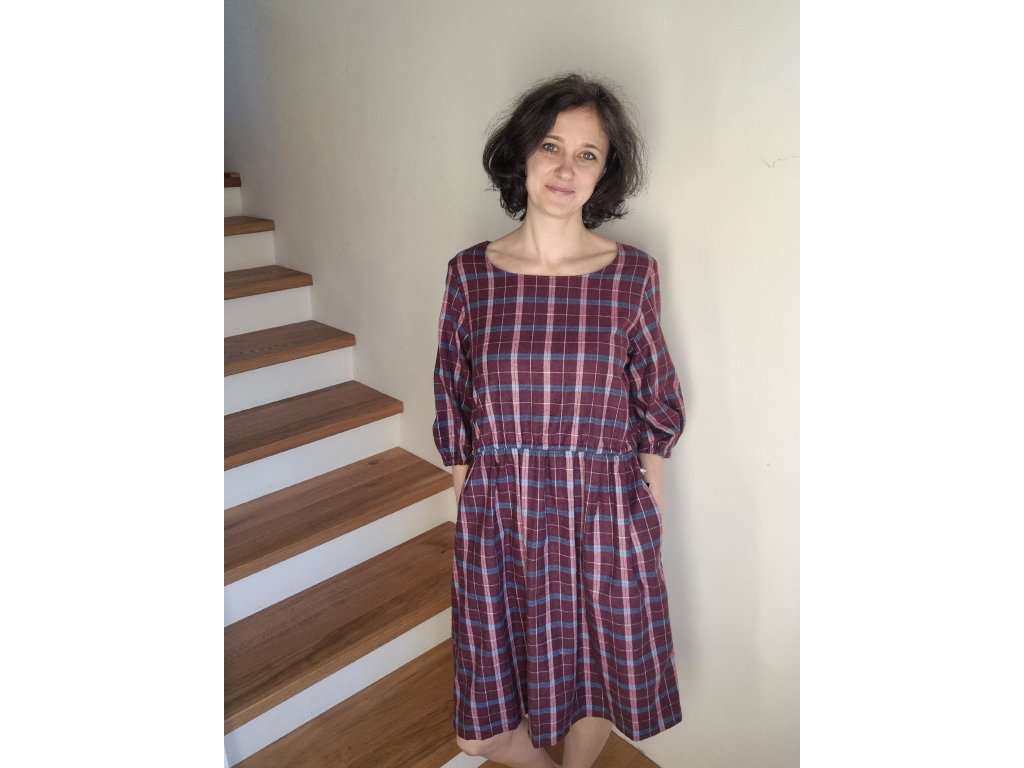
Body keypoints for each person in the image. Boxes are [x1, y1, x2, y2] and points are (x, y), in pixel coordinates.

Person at [432, 73, 686, 768]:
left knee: (598, 683)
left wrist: (650, 510)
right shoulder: (470, 276)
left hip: (605, 508)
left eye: (587, 154)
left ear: (604, 173)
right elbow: (452, 394)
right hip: (500, 509)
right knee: (481, 729)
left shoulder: (631, 275)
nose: (565, 168)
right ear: (523, 153)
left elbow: (656, 396)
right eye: (551, 145)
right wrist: (467, 497)